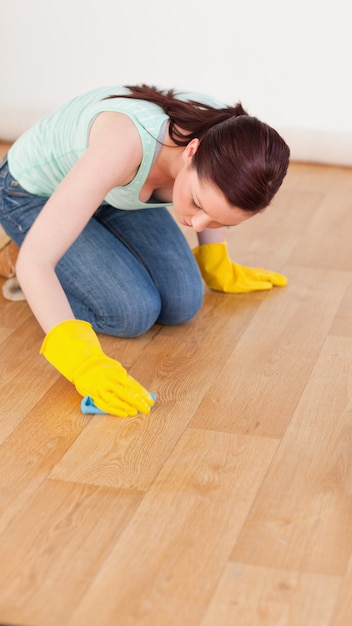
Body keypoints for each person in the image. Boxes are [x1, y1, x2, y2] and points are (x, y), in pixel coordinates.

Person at [0, 84, 290, 417]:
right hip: (30, 195)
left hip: (108, 194)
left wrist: (216, 261)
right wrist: (84, 364)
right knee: (131, 312)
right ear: (192, 151)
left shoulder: (227, 137)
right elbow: (36, 264)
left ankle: (84, 241)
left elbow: (216, 199)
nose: (196, 225)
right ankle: (13, 251)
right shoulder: (121, 146)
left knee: (183, 301)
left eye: (218, 220)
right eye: (196, 203)